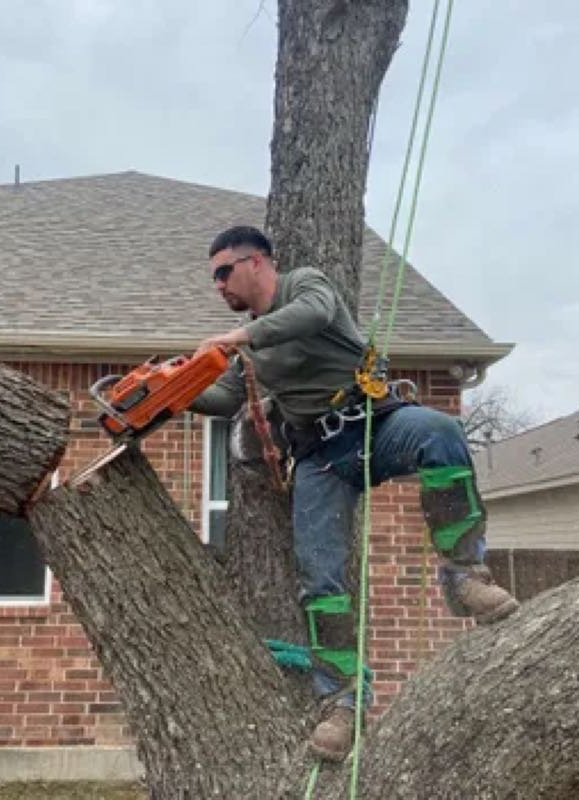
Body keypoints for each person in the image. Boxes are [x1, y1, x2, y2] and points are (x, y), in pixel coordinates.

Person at [190, 225, 519, 762]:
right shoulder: (250, 350)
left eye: (224, 272)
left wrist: (237, 338)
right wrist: (168, 392)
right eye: (214, 277)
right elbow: (222, 398)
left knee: (440, 432)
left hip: (375, 427)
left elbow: (314, 316)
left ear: (256, 263)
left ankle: (464, 577)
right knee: (318, 576)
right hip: (321, 459)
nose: (218, 285)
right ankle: (342, 703)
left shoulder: (305, 287)